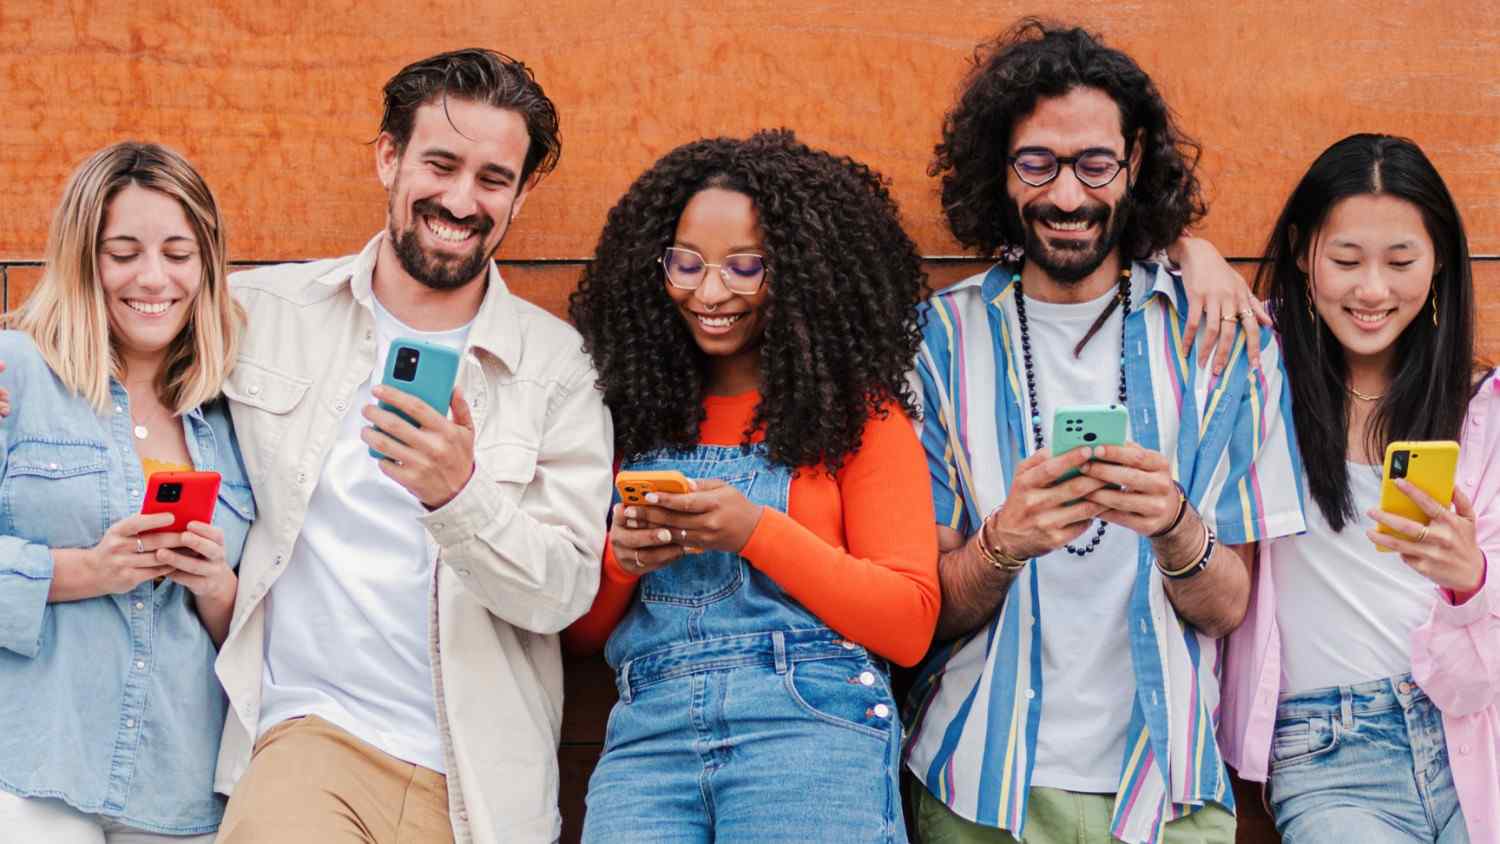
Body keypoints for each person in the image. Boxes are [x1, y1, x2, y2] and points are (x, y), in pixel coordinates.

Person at [902, 21, 1307, 844]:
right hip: (977, 782)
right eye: (1036, 164)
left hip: (1167, 789)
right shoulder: (936, 345)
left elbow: (1229, 607)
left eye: (1094, 164)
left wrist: (1174, 525)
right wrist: (1003, 544)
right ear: (1000, 167)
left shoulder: (1224, 341)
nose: (1065, 197)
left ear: (1135, 161)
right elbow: (923, 611)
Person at [200, 49, 612, 844]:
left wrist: (460, 495)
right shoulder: (261, 313)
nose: (460, 200)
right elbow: (106, 338)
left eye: (493, 179)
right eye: (441, 165)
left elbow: (562, 593)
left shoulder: (557, 368)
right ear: (389, 158)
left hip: (480, 786)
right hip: (309, 740)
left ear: (522, 193)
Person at [562, 129, 940, 842]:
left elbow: (909, 622)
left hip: (808, 735)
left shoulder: (859, 419)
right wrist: (621, 560)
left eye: (744, 267)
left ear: (802, 273)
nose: (710, 293)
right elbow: (580, 637)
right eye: (686, 264)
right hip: (649, 743)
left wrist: (755, 531)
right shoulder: (627, 421)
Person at [1219, 133, 1499, 844]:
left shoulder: (1483, 409)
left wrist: (1470, 579)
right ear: (1302, 253)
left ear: (1439, 263)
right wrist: (1196, 255)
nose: (1372, 290)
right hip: (1328, 753)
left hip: (1472, 739)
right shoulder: (1258, 374)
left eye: (1401, 262)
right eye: (1346, 260)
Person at [0, 142, 253, 842]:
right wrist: (86, 571)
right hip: (30, 766)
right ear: (84, 258)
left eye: (178, 253)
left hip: (180, 786)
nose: (153, 278)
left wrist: (217, 588)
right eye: (123, 252)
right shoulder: (15, 374)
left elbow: (268, 628)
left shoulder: (238, 413)